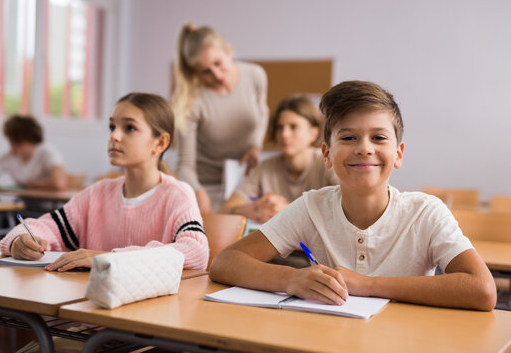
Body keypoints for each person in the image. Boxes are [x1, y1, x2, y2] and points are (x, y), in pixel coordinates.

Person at [209, 81, 496, 311]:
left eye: (379, 137)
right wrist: (294, 279)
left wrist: (367, 285)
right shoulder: (311, 207)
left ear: (398, 154)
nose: (364, 148)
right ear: (326, 154)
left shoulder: (426, 212)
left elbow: (482, 289)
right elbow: (226, 262)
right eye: (348, 138)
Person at [0, 93, 209, 271]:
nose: (115, 136)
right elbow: (46, 227)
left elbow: (196, 252)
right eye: (112, 126)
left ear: (160, 142)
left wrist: (111, 259)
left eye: (130, 128)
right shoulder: (97, 193)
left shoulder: (177, 194)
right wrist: (20, 242)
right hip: (89, 309)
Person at [173, 23, 269, 213]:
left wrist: (256, 145)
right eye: (205, 71)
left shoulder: (255, 75)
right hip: (206, 189)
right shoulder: (190, 100)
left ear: (228, 51)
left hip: (244, 185)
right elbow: (184, 166)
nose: (216, 75)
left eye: (218, 63)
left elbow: (263, 113)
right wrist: (198, 192)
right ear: (195, 72)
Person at [220, 95, 337, 223]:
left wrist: (288, 210)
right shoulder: (265, 167)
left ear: (313, 133)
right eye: (280, 127)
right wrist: (252, 209)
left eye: (293, 127)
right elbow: (224, 209)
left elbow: (346, 211)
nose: (284, 134)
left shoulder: (330, 163)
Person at [0, 116, 67, 190]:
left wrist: (28, 185)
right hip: (21, 199)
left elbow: (58, 182)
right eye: (11, 143)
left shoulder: (48, 153)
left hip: (47, 200)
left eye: (18, 144)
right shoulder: (9, 157)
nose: (12, 148)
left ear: (31, 141)